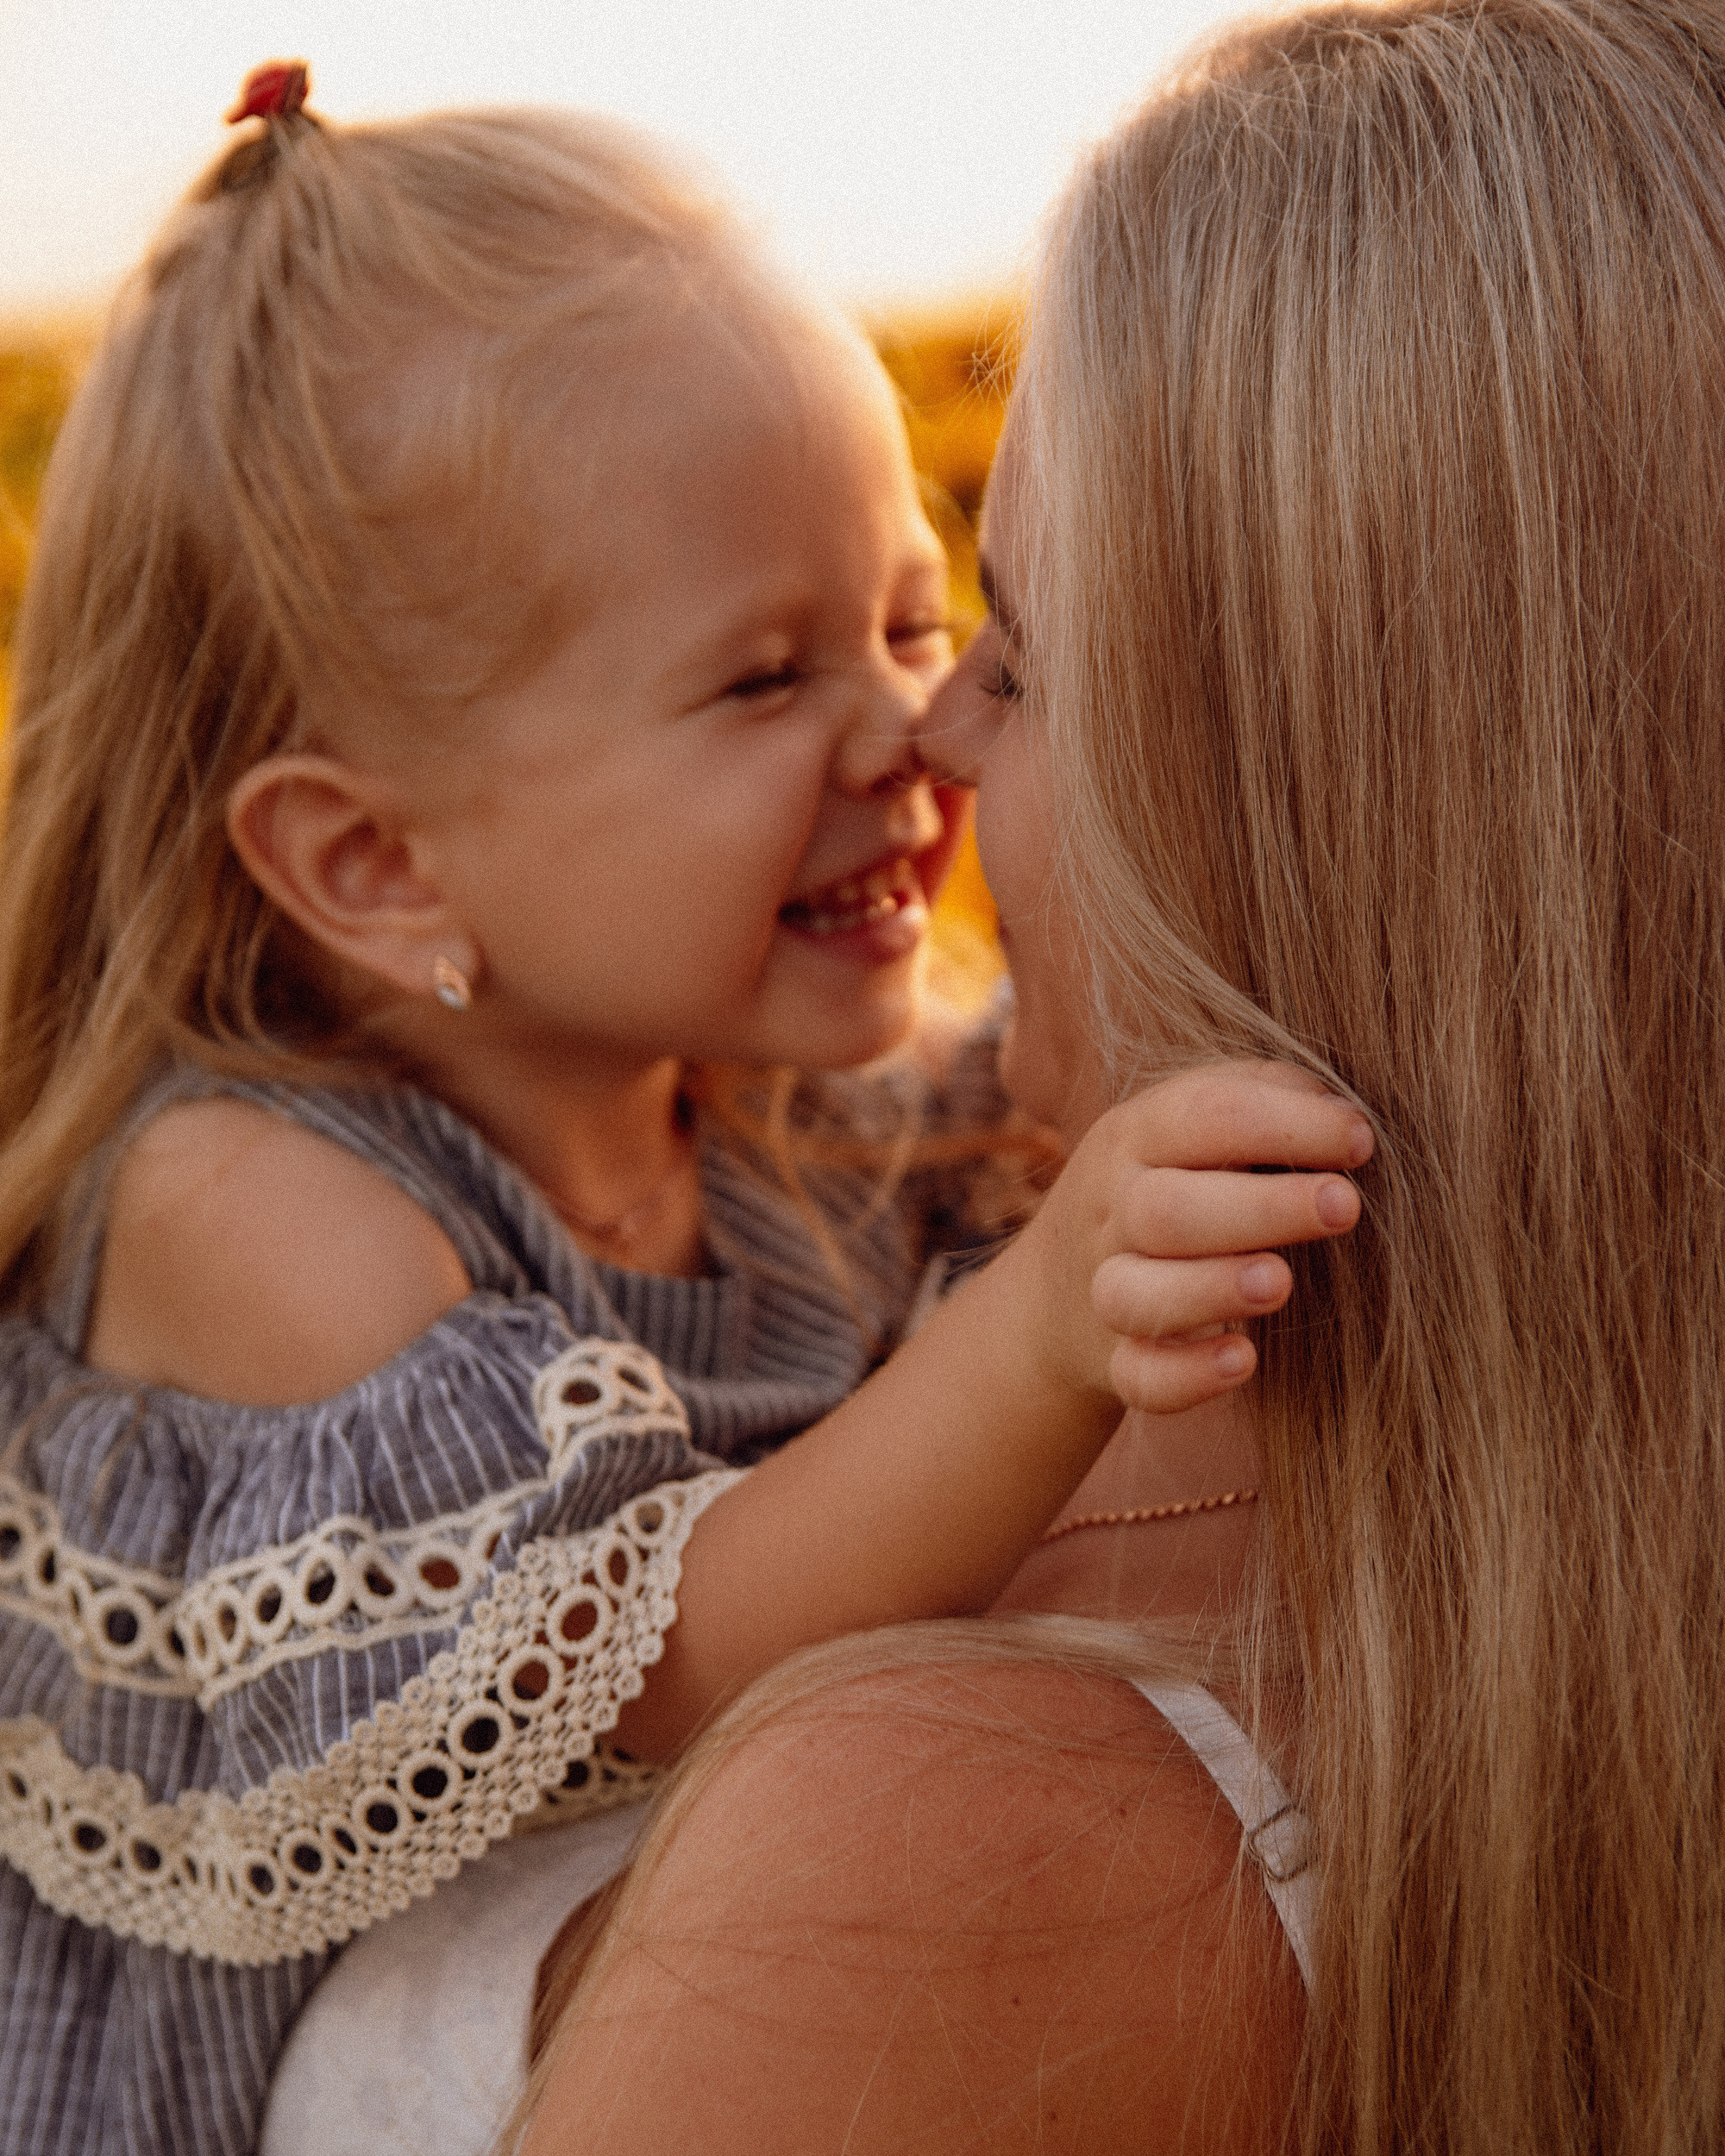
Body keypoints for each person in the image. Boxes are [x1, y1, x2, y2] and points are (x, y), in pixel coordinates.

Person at [0, 66, 1371, 2156]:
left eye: (912, 619)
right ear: (379, 862)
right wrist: (1046, 1321)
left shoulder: (781, 1117)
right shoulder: (256, 1203)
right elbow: (678, 1648)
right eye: (760, 678)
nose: (910, 728)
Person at [518, 2, 1725, 2151]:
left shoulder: (944, 1844)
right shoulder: (964, 1250)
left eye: (1021, 649)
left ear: (1318, 804)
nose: (933, 736)